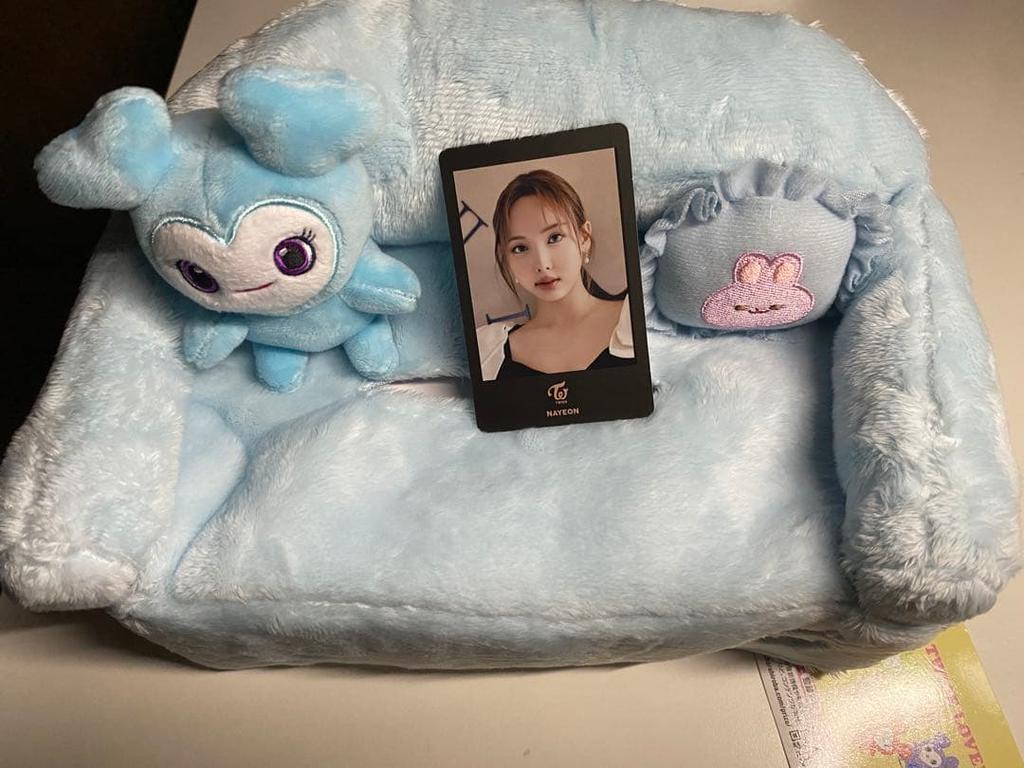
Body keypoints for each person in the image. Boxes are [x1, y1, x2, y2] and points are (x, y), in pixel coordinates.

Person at [476, 169, 634, 381]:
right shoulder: (488, 352)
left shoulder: (635, 317)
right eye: (520, 248)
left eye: (554, 237)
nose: (543, 265)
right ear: (506, 259)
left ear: (584, 237)